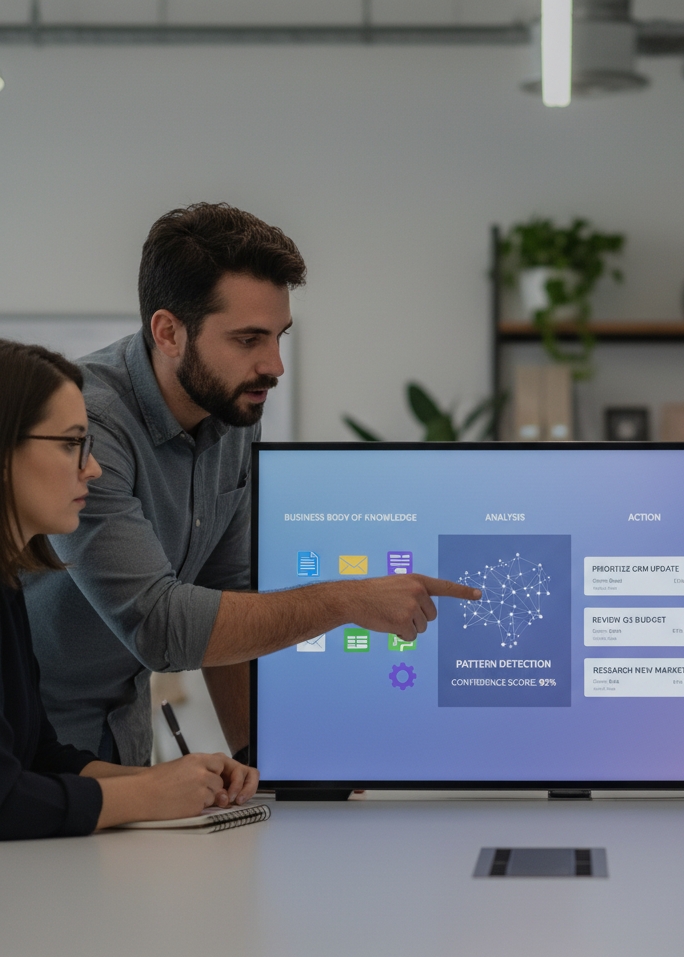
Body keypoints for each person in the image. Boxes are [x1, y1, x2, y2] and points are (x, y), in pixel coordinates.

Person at [23, 203, 479, 766]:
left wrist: (262, 759)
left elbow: (226, 590)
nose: (275, 365)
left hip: (121, 738)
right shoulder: (88, 428)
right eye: (248, 340)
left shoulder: (233, 407)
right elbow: (161, 627)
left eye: (280, 336)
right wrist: (347, 598)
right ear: (168, 332)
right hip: (30, 745)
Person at [0, 339, 259, 839]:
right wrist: (149, 794)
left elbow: (38, 757)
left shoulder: (9, 587)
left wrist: (176, 780)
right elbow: (7, 798)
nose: (92, 468)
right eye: (71, 443)